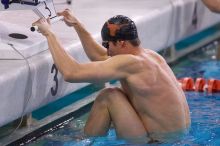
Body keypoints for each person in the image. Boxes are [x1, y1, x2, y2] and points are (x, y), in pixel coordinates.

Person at [32, 9, 191, 143]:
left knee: (109, 96)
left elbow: (71, 73)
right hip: (175, 139)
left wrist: (49, 34)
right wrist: (77, 25)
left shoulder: (130, 63)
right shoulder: (150, 56)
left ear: (122, 43)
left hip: (155, 142)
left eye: (107, 44)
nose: (106, 50)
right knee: (116, 94)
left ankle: (83, 141)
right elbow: (99, 56)